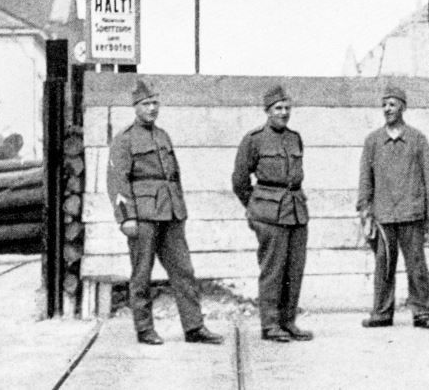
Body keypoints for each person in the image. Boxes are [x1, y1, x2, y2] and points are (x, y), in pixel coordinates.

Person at [107, 79, 223, 345]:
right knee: (141, 274)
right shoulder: (124, 139)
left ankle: (194, 327)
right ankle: (144, 329)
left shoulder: (163, 136)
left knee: (184, 271)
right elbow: (117, 181)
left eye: (155, 103)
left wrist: (180, 208)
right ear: (135, 107)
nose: (152, 108)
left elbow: (174, 176)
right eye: (146, 104)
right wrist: (126, 217)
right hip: (143, 216)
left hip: (170, 214)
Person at [232, 85, 313, 342]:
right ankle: (270, 324)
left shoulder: (295, 138)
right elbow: (239, 180)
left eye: (287, 108)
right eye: (278, 108)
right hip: (269, 214)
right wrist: (255, 208)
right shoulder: (254, 139)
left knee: (294, 269)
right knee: (273, 269)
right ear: (267, 111)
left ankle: (288, 322)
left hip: (296, 211)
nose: (284, 113)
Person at [357, 85, 429, 329]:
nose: (387, 109)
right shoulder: (373, 141)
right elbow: (365, 179)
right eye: (384, 105)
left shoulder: (417, 139)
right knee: (383, 266)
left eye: (392, 104)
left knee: (417, 266)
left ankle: (422, 312)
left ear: (403, 107)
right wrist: (365, 210)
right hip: (383, 215)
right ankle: (382, 313)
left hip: (411, 213)